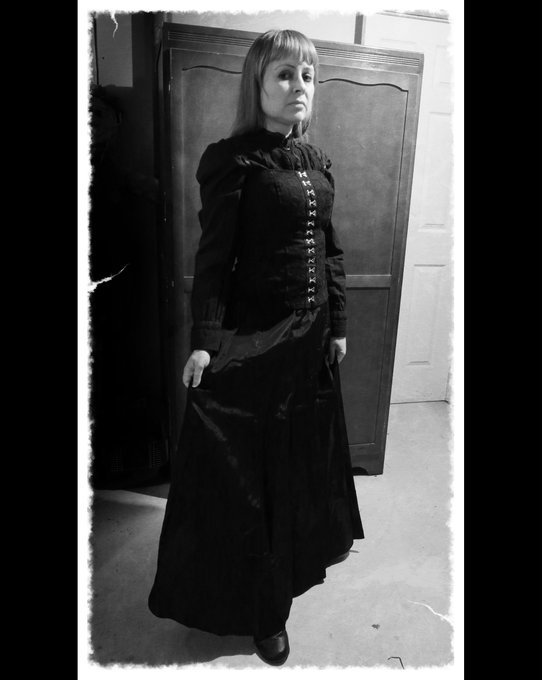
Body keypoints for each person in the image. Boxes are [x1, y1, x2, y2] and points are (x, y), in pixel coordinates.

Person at [148, 28, 364, 666]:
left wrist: (338, 322)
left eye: (308, 76)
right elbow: (214, 259)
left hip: (310, 340)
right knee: (251, 476)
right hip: (257, 340)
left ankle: (294, 564)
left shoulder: (315, 160)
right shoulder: (233, 161)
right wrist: (205, 342)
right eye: (285, 75)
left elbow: (329, 249)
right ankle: (263, 610)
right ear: (258, 84)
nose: (299, 87)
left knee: (300, 461)